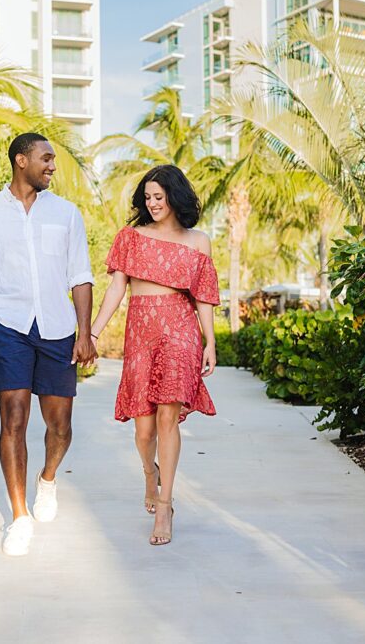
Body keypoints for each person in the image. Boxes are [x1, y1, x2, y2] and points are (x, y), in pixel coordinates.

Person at [0, 132, 97, 557]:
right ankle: (19, 517)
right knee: (12, 420)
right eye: (46, 158)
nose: (52, 166)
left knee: (60, 426)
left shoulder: (66, 214)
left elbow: (80, 276)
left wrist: (85, 332)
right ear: (21, 160)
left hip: (57, 329)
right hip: (9, 328)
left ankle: (47, 479)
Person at [88, 164, 219, 546]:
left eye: (159, 197)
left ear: (175, 197)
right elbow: (116, 289)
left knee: (168, 419)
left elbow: (204, 297)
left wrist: (209, 341)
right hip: (141, 332)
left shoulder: (199, 241)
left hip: (181, 331)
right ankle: (150, 473)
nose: (152, 203)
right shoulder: (131, 237)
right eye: (147, 198)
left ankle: (165, 505)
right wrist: (93, 333)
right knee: (143, 430)